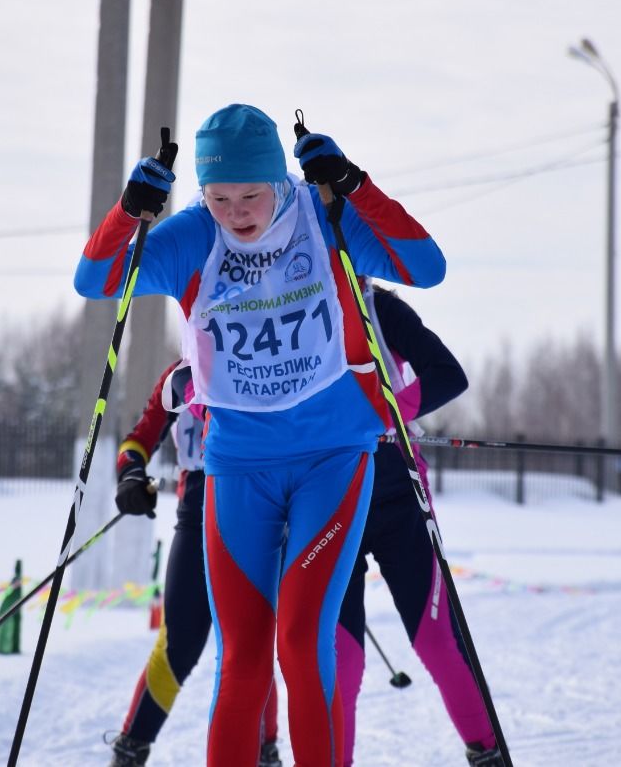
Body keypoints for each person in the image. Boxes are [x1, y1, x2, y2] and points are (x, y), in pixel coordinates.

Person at [75, 103, 446, 766]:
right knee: (241, 654)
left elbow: (426, 266)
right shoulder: (194, 235)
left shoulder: (322, 216)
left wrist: (356, 185)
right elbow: (97, 280)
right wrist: (130, 210)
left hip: (333, 456)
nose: (238, 211)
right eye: (221, 197)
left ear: (280, 179)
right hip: (238, 464)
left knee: (302, 644)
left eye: (252, 193)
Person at [335, 281, 503, 767]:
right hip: (328, 501)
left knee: (437, 642)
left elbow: (448, 374)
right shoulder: (290, 305)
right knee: (340, 664)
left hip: (396, 492)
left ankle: (487, 751)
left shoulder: (378, 307)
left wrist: (383, 414)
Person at [106, 360, 282, 767]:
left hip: (254, 509)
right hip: (198, 509)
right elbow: (138, 439)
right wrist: (132, 475)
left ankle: (264, 750)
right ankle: (131, 748)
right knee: (179, 643)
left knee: (250, 643)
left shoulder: (260, 360)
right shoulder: (178, 375)